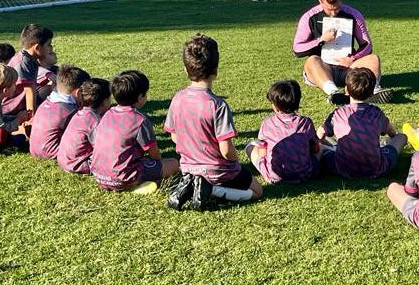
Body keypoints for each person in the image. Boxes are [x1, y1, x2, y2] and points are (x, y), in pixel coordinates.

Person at [164, 35, 263, 210]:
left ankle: (194, 185)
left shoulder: (177, 99)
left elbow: (174, 137)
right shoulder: (217, 105)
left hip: (188, 169)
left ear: (185, 70)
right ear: (216, 71)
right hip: (219, 171)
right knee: (257, 191)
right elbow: (226, 151)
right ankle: (211, 190)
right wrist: (236, 160)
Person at [293, 0, 393, 105]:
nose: (334, 13)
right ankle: (334, 93)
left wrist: (351, 59)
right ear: (320, 1)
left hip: (349, 67)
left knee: (373, 59)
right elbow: (297, 49)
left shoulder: (353, 15)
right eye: (329, 9)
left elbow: (367, 45)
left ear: (341, 0)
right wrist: (321, 40)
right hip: (323, 68)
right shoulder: (309, 17)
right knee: (312, 60)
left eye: (337, 8)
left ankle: (374, 91)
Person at [90, 71, 179, 193]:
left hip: (99, 176)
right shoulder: (139, 120)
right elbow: (153, 152)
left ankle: (129, 182)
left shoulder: (107, 114)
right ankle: (135, 185)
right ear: (140, 97)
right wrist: (159, 163)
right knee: (173, 164)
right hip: (122, 177)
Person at [317, 67, 407, 179]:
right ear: (372, 93)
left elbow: (319, 135)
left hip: (342, 169)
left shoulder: (338, 114)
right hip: (376, 169)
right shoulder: (377, 113)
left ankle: (337, 148)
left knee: (319, 146)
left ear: (346, 90)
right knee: (402, 137)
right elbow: (392, 133)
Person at [245, 80, 321, 184]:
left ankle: (267, 173)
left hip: (275, 176)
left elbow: (263, 149)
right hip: (304, 175)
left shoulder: (267, 123)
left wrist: (264, 162)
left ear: (275, 106)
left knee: (251, 147)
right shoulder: (305, 122)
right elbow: (315, 148)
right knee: (320, 148)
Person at [29, 65, 90, 161]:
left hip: (35, 151)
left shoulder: (47, 102)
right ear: (78, 93)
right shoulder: (70, 111)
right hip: (53, 154)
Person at [1, 24, 57, 118]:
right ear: (37, 48)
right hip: (10, 111)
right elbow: (29, 92)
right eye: (48, 45)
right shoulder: (24, 63)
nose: (51, 48)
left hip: (18, 107)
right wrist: (32, 118)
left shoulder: (29, 59)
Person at [57, 78, 111, 175]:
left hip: (64, 161)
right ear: (105, 101)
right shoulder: (95, 122)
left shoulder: (79, 114)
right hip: (78, 165)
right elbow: (102, 149)